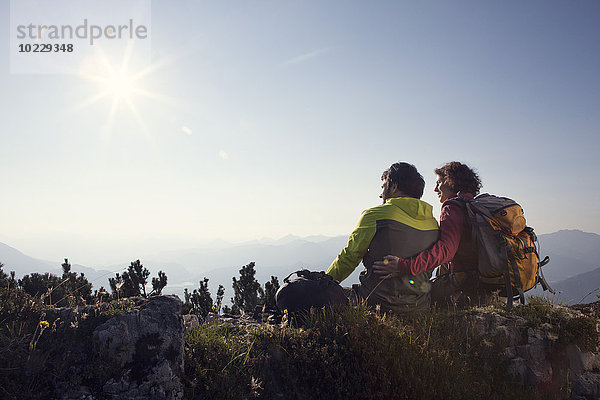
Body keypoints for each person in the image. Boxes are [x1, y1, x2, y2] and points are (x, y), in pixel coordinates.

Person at [326, 162, 439, 314]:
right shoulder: (433, 224)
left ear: (394, 187)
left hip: (376, 302)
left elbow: (349, 257)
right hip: (419, 306)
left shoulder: (375, 215)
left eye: (383, 186)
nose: (381, 194)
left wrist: (323, 284)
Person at [372, 161, 489, 307]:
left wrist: (404, 267)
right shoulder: (474, 206)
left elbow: (446, 251)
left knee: (420, 296)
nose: (435, 189)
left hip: (467, 282)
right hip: (485, 279)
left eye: (439, 182)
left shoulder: (452, 208)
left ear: (451, 182)